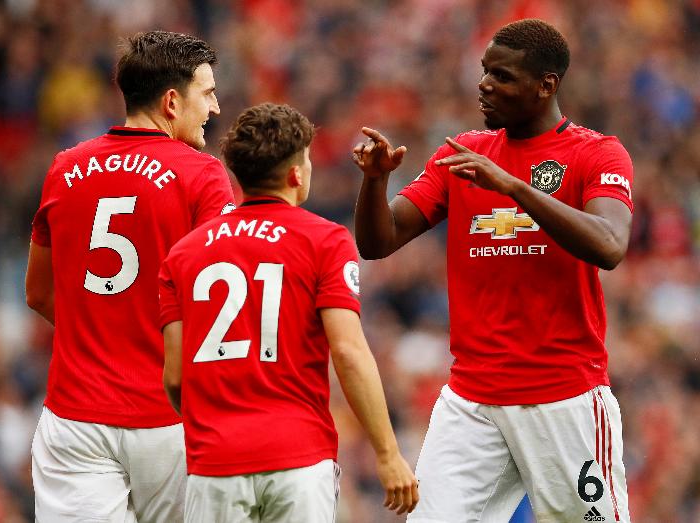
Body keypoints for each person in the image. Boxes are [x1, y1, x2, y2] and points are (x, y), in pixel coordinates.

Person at [353, 18, 633, 523]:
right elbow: (378, 242)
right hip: (472, 398)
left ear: (546, 85)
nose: (484, 84)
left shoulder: (595, 152)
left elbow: (610, 244)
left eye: (502, 76)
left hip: (563, 395)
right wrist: (374, 183)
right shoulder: (462, 155)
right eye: (485, 71)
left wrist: (514, 188)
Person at [159, 102, 419, 522]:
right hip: (298, 458)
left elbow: (174, 377)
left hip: (215, 463)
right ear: (297, 174)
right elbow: (348, 351)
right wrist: (388, 453)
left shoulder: (184, 253)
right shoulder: (325, 240)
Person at [25, 31, 235, 522]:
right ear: (171, 102)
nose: (215, 107)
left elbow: (37, 293)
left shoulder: (64, 169)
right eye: (207, 94)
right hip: (171, 418)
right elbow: (218, 300)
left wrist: (103, 333)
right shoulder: (202, 175)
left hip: (77, 416)